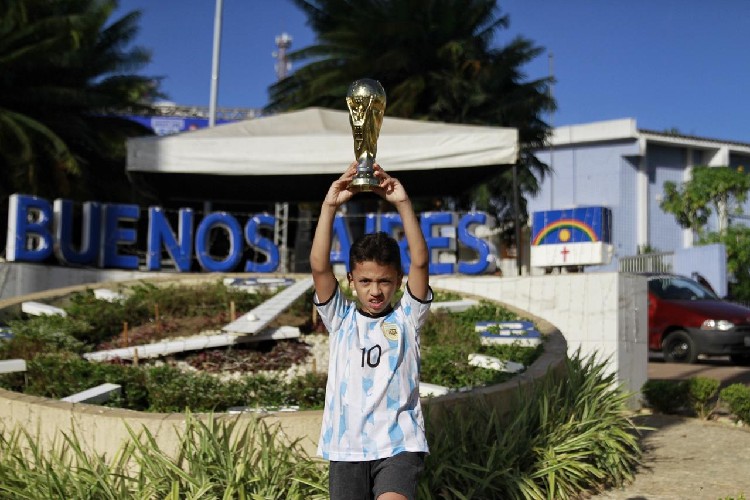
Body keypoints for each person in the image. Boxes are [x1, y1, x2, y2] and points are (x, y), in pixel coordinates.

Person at [310, 161, 432, 500]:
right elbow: (319, 266)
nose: (375, 290)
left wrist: (403, 204)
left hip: (398, 444)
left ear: (398, 281)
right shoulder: (341, 317)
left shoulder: (409, 315)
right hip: (346, 448)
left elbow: (420, 262)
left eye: (384, 281)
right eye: (364, 281)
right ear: (351, 280)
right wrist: (329, 206)